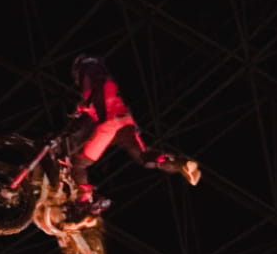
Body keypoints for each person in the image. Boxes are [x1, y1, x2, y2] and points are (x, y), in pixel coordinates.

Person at [62, 55, 201, 219]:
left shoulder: (90, 73)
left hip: (110, 124)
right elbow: (99, 102)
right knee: (144, 157)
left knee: (79, 163)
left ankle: (85, 199)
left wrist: (84, 106)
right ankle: (180, 163)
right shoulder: (104, 78)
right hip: (126, 123)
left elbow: (98, 96)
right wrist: (84, 110)